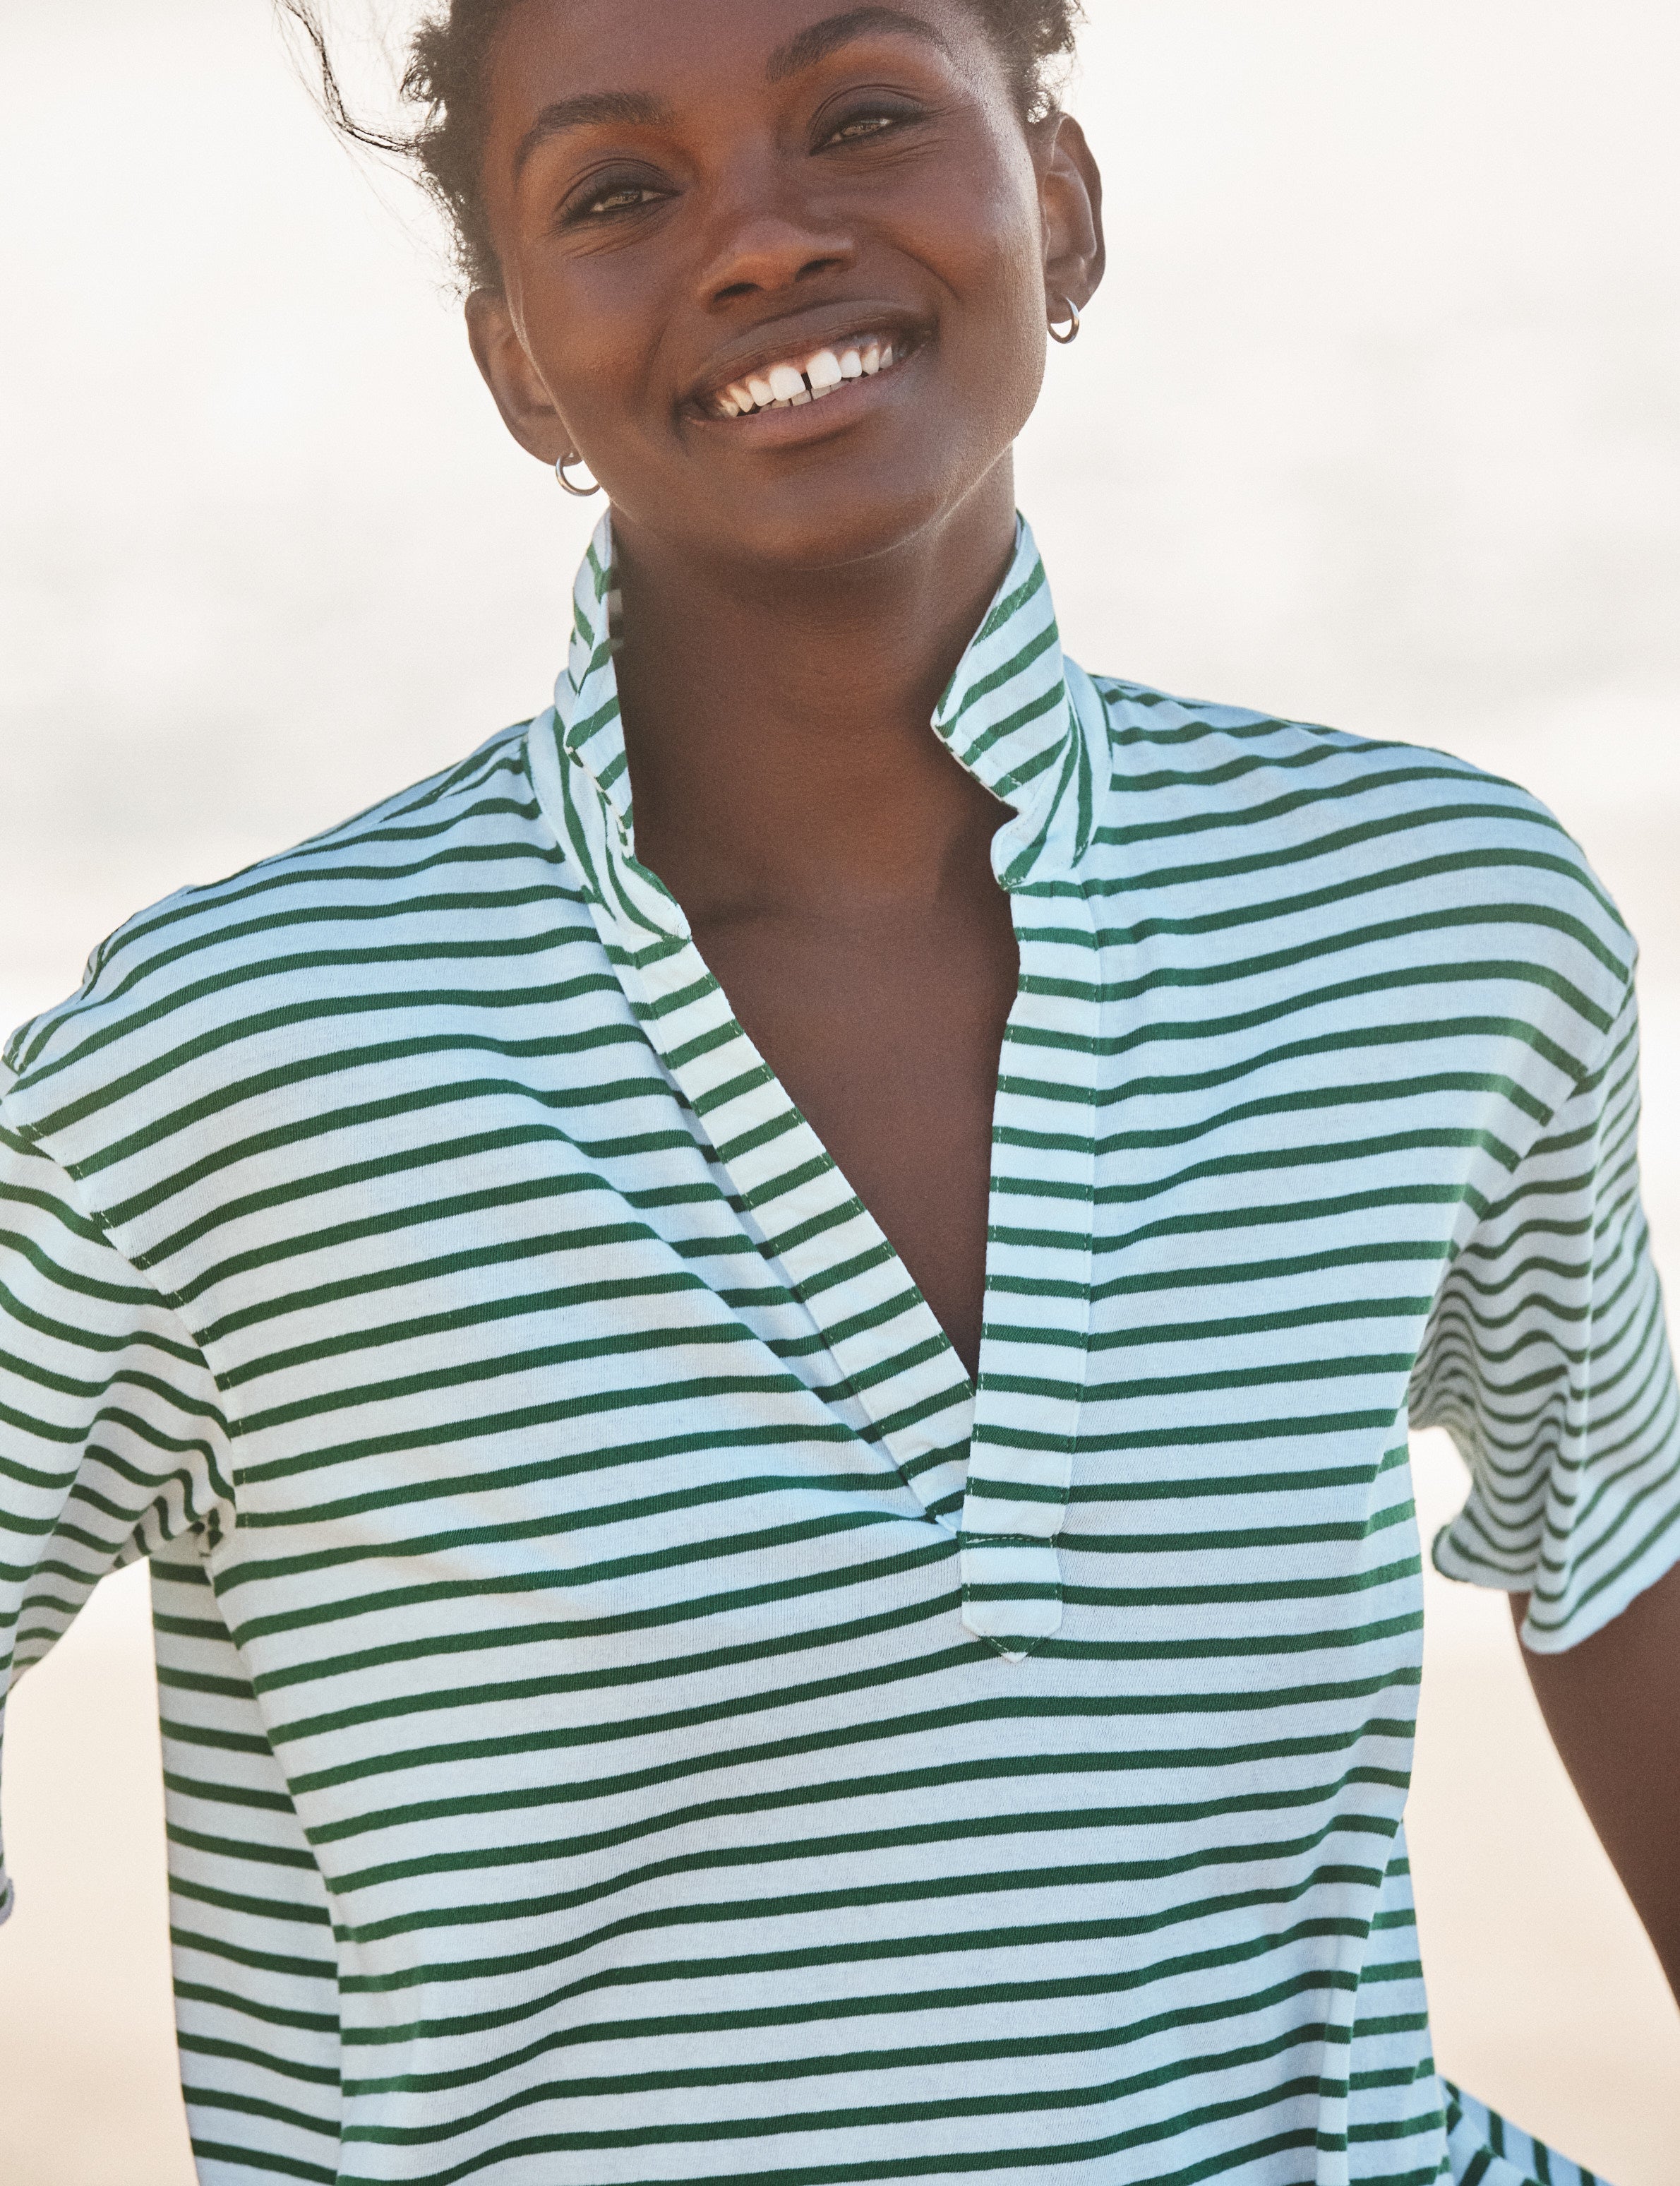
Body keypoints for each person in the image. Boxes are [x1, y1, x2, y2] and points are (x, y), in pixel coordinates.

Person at [1, 1, 1676, 2180]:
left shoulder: (1433, 924)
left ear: (1061, 207)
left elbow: (1611, 1556)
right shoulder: (238, 1063)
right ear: (520, 369)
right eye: (623, 190)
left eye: (863, 115)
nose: (766, 238)